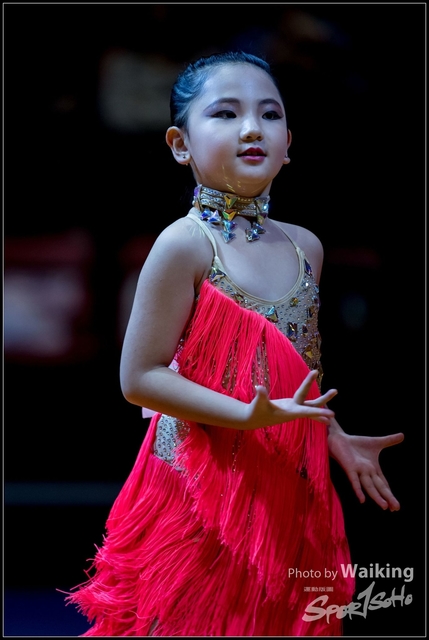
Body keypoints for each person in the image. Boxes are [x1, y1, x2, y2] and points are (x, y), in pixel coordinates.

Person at [66, 51, 404, 636]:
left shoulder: (305, 247)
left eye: (270, 115)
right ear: (180, 144)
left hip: (283, 483)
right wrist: (244, 415)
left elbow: (300, 371)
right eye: (226, 113)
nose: (252, 128)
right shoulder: (185, 244)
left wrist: (333, 436)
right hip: (197, 483)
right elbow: (139, 378)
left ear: (288, 143)